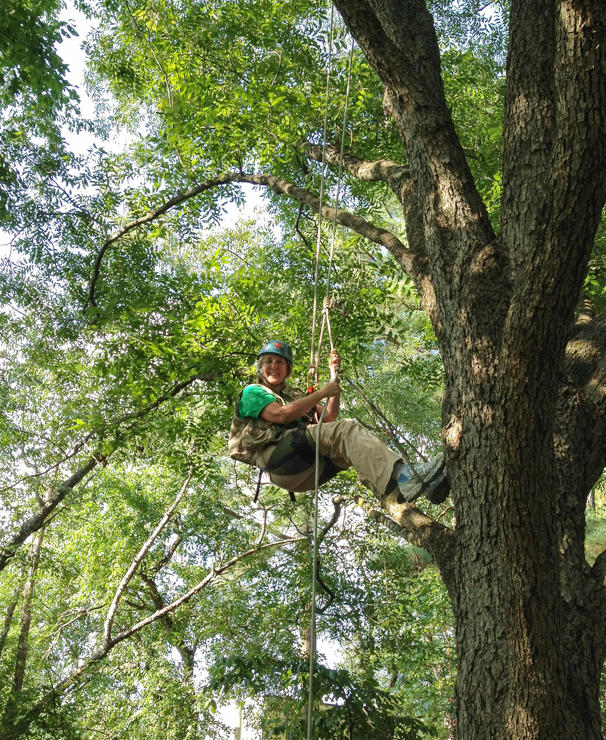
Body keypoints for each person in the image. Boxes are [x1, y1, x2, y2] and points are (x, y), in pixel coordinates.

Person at [229, 340, 448, 503]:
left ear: (287, 370)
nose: (273, 366)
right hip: (279, 459)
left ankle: (403, 490)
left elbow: (329, 418)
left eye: (279, 362)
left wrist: (334, 379)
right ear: (260, 367)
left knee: (353, 447)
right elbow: (281, 415)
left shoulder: (294, 396)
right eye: (268, 362)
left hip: (307, 467)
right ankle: (408, 478)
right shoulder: (254, 391)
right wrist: (322, 392)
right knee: (347, 429)